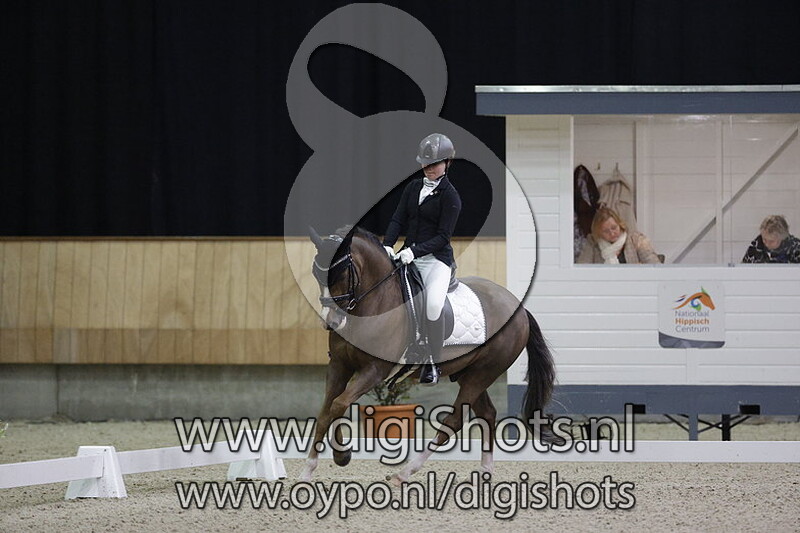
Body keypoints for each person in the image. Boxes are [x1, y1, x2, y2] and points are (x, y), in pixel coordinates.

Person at [382, 133, 462, 385]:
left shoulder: (451, 197)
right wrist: (387, 245)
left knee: (433, 305)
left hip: (436, 261)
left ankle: (433, 363)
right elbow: (398, 218)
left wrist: (414, 252)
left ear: (447, 163)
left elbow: (443, 237)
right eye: (425, 163)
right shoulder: (413, 187)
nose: (429, 168)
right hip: (408, 256)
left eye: (435, 163)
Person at [576, 206, 660, 264]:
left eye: (614, 228)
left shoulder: (636, 239)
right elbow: (582, 268)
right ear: (599, 233)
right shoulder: (592, 242)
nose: (612, 233)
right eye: (606, 231)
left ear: (620, 224)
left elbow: (654, 264)